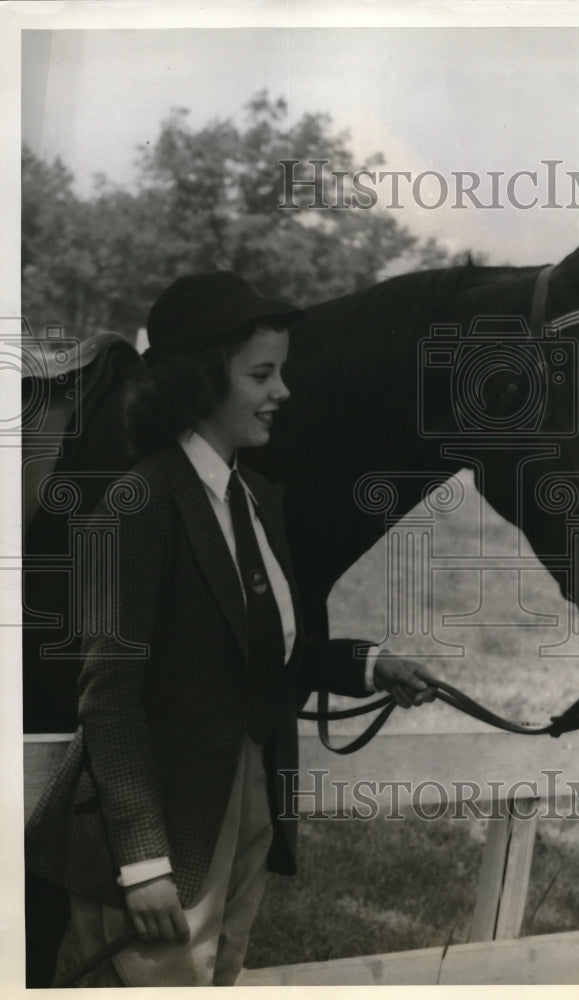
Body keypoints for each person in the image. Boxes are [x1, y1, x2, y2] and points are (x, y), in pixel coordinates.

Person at [25, 272, 437, 987]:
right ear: (197, 382)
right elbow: (110, 703)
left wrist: (367, 667)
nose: (283, 392)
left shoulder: (248, 498)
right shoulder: (139, 503)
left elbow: (251, 646)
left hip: (244, 802)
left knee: (219, 975)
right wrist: (144, 860)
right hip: (169, 828)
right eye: (261, 374)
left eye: (281, 371)